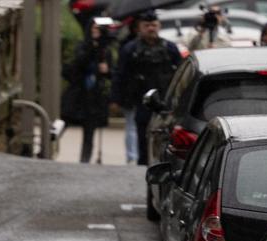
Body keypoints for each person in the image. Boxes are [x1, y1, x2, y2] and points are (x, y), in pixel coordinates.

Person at [113, 11, 182, 166]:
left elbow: (180, 73)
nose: (151, 29)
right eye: (147, 25)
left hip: (165, 101)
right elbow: (120, 74)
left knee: (166, 134)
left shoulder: (170, 48)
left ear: (159, 26)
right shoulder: (130, 49)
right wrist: (116, 98)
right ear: (139, 28)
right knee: (142, 133)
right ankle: (141, 163)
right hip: (140, 100)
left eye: (154, 25)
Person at [62, 21, 113, 163]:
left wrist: (107, 70)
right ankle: (46, 148)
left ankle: (85, 161)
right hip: (78, 93)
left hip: (94, 96)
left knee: (89, 131)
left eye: (99, 29)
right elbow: (78, 63)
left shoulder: (105, 51)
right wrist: (92, 48)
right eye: (94, 28)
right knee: (63, 121)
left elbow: (111, 74)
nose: (96, 31)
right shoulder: (83, 46)